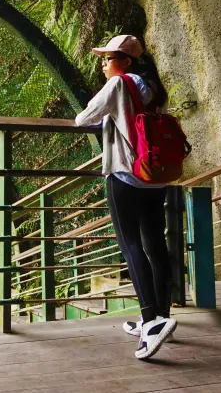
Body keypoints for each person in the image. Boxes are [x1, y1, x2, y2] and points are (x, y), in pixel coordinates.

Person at [74, 34, 177, 360]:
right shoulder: (155, 88)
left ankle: (151, 322)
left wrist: (106, 109)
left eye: (108, 58)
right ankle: (163, 314)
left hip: (125, 176)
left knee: (130, 246)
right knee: (156, 247)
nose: (103, 64)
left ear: (126, 61)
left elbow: (83, 117)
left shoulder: (119, 85)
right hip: (154, 178)